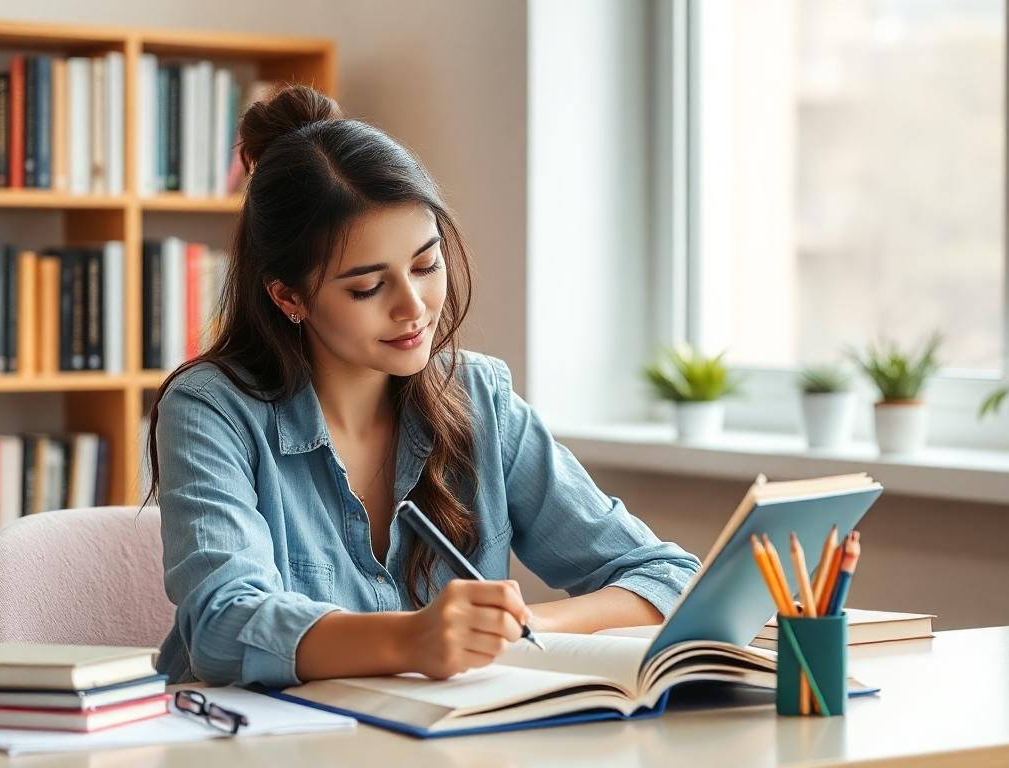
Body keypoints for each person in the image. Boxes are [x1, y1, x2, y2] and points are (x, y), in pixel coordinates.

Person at [147, 84, 701, 688]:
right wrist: (414, 638)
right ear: (288, 296)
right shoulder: (211, 409)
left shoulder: (478, 397)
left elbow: (664, 575)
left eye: (425, 264)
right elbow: (222, 625)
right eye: (366, 287)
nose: (414, 308)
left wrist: (507, 632)